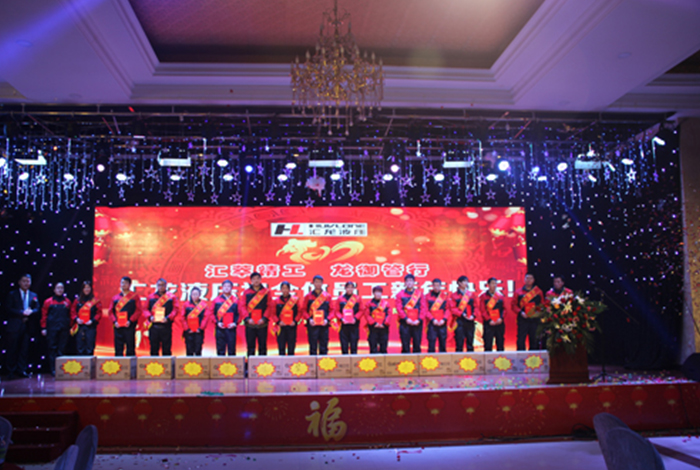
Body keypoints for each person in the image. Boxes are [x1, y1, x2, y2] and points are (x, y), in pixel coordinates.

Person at [4, 274, 40, 379]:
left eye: (28, 281)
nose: (26, 283)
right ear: (19, 282)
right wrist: (21, 313)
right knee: (12, 349)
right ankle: (10, 371)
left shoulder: (33, 295)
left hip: (27, 326)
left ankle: (21, 370)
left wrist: (31, 312)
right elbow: (8, 308)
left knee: (24, 349)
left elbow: (37, 308)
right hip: (15, 326)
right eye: (24, 281)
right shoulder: (12, 294)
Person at [40, 282, 72, 375]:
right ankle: (53, 369)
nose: (60, 290)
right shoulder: (48, 302)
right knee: (52, 348)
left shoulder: (67, 302)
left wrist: (70, 327)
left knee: (62, 348)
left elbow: (70, 315)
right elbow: (44, 315)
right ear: (54, 289)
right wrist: (43, 328)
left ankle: (61, 368)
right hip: (52, 328)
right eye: (58, 288)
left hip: (64, 328)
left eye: (61, 288)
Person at [239, 272, 272, 356]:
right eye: (254, 279)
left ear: (260, 280)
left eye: (258, 278)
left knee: (262, 346)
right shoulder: (246, 292)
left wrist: (264, 318)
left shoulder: (266, 292)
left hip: (262, 323)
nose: (256, 280)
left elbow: (269, 306)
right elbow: (243, 306)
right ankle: (250, 363)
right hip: (250, 323)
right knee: (250, 347)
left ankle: (263, 363)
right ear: (251, 281)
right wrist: (247, 318)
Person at [144, 278, 179, 356]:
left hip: (166, 326)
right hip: (154, 327)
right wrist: (150, 317)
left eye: (163, 285)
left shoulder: (171, 297)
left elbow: (175, 309)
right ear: (156, 286)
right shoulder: (151, 297)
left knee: (166, 349)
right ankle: (154, 364)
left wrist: (168, 318)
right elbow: (145, 309)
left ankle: (167, 364)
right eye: (159, 285)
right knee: (154, 348)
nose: (161, 287)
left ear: (166, 286)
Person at [110, 276, 143, 356]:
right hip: (118, 326)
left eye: (126, 283)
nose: (123, 284)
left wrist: (130, 320)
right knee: (118, 349)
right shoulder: (115, 298)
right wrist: (115, 321)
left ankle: (131, 364)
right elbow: (111, 312)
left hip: (130, 326)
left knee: (130, 348)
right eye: (122, 283)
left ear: (130, 284)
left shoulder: (134, 297)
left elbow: (138, 310)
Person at [512, 273, 545, 351]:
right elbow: (513, 305)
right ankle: (521, 356)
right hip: (523, 319)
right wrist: (521, 312)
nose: (529, 280)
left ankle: (533, 357)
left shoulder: (538, 292)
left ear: (533, 280)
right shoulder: (518, 292)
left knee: (534, 339)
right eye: (527, 278)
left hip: (534, 319)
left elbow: (542, 304)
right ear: (524, 279)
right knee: (521, 339)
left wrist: (537, 312)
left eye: (530, 278)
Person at [301, 275, 332, 355]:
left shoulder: (327, 296)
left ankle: (324, 362)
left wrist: (327, 320)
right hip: (312, 325)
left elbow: (332, 310)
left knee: (324, 347)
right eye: (316, 282)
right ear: (313, 283)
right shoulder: (308, 296)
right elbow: (303, 310)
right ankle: (312, 363)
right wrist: (309, 319)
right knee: (312, 347)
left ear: (322, 283)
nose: (318, 284)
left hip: (324, 325)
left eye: (320, 282)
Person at [394, 274, 425, 353]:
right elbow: (399, 308)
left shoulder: (419, 294)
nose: (409, 282)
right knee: (405, 345)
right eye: (407, 281)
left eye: (411, 281)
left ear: (414, 282)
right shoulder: (400, 294)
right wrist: (406, 319)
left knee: (417, 345)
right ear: (405, 283)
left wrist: (419, 320)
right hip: (405, 323)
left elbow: (423, 308)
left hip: (417, 323)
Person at [70, 281, 102, 356]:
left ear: (91, 289)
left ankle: (90, 363)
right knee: (80, 348)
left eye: (88, 287)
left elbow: (99, 313)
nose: (87, 289)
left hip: (90, 327)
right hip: (80, 327)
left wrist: (92, 321)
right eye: (85, 288)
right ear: (82, 289)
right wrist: (76, 319)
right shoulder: (77, 300)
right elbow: (72, 311)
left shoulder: (95, 301)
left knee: (90, 348)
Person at [207, 280, 238, 356]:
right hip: (220, 328)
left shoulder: (236, 300)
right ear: (222, 287)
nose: (227, 288)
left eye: (228, 286)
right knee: (220, 350)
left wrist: (235, 323)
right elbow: (211, 313)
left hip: (231, 329)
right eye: (225, 286)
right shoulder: (216, 300)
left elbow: (239, 314)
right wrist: (217, 322)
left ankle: (232, 364)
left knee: (232, 350)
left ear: (231, 288)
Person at [270, 282, 301, 356]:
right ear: (280, 289)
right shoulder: (276, 301)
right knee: (281, 347)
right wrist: (278, 322)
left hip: (291, 326)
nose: (285, 290)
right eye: (283, 288)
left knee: (291, 347)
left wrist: (295, 321)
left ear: (289, 289)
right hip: (281, 327)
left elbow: (300, 312)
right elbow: (273, 314)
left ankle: (291, 362)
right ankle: (281, 362)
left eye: (286, 288)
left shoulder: (295, 300)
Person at [449, 275, 478, 352]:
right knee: (459, 342)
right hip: (459, 321)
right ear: (459, 283)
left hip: (470, 321)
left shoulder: (471, 294)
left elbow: (476, 307)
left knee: (470, 342)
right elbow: (453, 308)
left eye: (467, 281)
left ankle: (471, 358)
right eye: (464, 281)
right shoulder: (454, 295)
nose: (466, 283)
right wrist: (462, 314)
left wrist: (473, 315)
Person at [333, 281, 363, 355]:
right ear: (345, 288)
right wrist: (341, 318)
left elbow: (361, 310)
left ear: (354, 289)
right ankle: (345, 361)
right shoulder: (340, 299)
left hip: (354, 325)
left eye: (351, 287)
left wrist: (355, 318)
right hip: (343, 326)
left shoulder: (357, 299)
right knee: (344, 346)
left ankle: (354, 361)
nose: (350, 289)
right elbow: (336, 311)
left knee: (354, 346)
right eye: (348, 287)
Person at [479, 277, 507, 352]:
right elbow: (482, 310)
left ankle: (501, 358)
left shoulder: (500, 296)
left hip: (499, 322)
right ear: (488, 285)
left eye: (495, 283)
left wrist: (501, 318)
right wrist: (489, 320)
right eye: (492, 283)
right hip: (489, 323)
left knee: (500, 343)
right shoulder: (483, 296)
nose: (494, 285)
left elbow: (504, 309)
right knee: (488, 343)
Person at [423, 278, 450, 353]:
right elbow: (426, 310)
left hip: (442, 323)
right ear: (432, 286)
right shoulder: (427, 296)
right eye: (435, 285)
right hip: (432, 323)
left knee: (443, 344)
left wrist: (444, 319)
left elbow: (448, 309)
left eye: (438, 286)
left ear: (441, 286)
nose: (436, 287)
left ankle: (444, 360)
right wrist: (432, 320)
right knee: (431, 344)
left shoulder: (444, 297)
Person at [180, 287, 208, 356]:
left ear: (200, 295)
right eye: (193, 294)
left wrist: (201, 328)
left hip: (199, 331)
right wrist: (187, 329)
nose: (194, 296)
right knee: (189, 350)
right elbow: (182, 317)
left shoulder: (203, 305)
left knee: (198, 350)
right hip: (189, 332)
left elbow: (206, 317)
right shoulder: (186, 304)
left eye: (196, 294)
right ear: (190, 295)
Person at [364, 286, 390, 354]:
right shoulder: (369, 303)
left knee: (383, 348)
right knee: (373, 348)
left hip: (383, 328)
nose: (378, 294)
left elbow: (389, 315)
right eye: (376, 292)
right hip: (373, 328)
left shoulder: (386, 304)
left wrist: (384, 324)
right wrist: (374, 323)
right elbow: (367, 315)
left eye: (379, 292)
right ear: (373, 293)